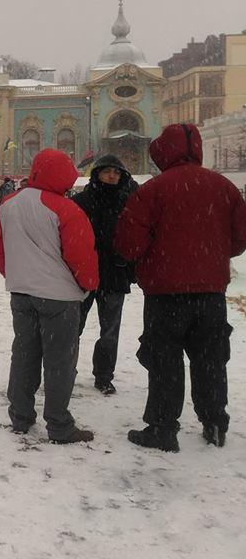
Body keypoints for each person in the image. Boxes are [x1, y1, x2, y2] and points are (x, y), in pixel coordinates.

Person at [115, 123, 246, 452]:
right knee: (210, 359)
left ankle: (162, 428)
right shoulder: (224, 187)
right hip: (211, 294)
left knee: (165, 362)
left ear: (162, 153)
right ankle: (214, 422)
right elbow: (239, 238)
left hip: (165, 294)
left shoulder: (152, 190)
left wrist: (154, 257)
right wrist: (210, 256)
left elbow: (128, 244)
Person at [0, 149, 99, 444]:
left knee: (24, 354)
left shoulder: (7, 205)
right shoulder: (66, 209)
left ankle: (21, 416)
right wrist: (87, 285)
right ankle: (59, 424)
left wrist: (15, 276)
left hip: (21, 292)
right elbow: (81, 256)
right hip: (59, 296)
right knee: (60, 360)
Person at [71, 155, 137, 395]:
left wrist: (127, 266)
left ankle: (104, 375)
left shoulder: (127, 203)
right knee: (73, 328)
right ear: (97, 173)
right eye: (107, 171)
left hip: (115, 274)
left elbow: (134, 239)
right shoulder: (81, 202)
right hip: (82, 275)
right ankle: (66, 373)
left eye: (117, 172)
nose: (112, 176)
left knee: (110, 331)